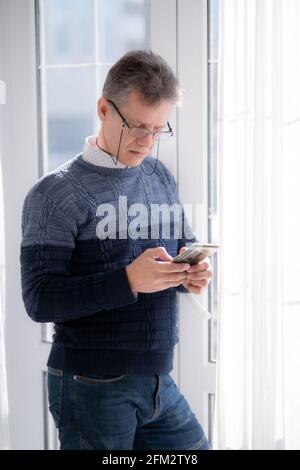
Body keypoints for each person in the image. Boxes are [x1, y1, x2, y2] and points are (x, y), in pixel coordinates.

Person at [20, 50, 213, 450]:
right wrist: (126, 280)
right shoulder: (54, 194)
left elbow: (178, 251)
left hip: (159, 380)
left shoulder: (158, 175)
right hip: (91, 385)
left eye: (159, 129)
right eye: (138, 127)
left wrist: (191, 274)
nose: (148, 142)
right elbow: (40, 300)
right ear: (103, 109)